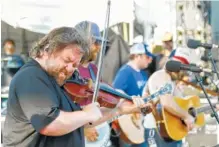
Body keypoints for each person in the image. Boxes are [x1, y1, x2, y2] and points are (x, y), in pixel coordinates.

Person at [3, 26, 152, 147]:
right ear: (47, 50)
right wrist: (87, 113)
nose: (70, 69)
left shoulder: (62, 79)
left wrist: (120, 109)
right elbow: (50, 124)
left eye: (75, 65)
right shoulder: (31, 76)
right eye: (67, 60)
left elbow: (80, 122)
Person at [142, 47, 195, 147]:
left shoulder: (171, 81)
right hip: (157, 131)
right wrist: (186, 116)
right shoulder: (162, 76)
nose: (180, 71)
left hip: (167, 132)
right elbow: (167, 103)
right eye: (179, 67)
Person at [112, 43, 155, 147]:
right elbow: (115, 95)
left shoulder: (142, 73)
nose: (150, 60)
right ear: (137, 56)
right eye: (147, 57)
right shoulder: (125, 72)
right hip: (128, 122)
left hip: (139, 120)